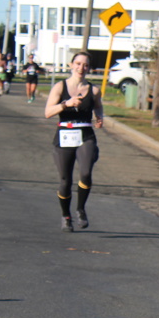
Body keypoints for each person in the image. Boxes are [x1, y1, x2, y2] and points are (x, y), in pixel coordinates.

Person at [44, 51, 103, 232]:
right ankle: (66, 216)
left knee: (85, 173)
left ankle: (80, 209)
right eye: (78, 64)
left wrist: (99, 117)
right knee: (65, 180)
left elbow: (98, 106)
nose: (81, 68)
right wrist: (66, 104)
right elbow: (47, 113)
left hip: (85, 134)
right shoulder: (60, 87)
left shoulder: (94, 90)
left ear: (89, 68)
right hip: (64, 134)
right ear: (71, 65)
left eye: (85, 65)